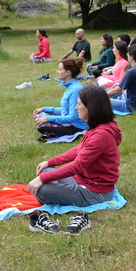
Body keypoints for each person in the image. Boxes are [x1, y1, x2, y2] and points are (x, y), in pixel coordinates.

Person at [28, 84, 122, 233]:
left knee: (42, 190)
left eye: (79, 104)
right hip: (84, 180)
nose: (76, 107)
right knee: (46, 171)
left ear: (91, 108)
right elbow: (78, 150)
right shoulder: (98, 127)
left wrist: (43, 179)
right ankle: (54, 182)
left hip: (96, 191)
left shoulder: (101, 135)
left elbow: (77, 167)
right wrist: (49, 162)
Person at [33, 58, 88, 139]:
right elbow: (66, 110)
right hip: (68, 122)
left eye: (59, 69)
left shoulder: (75, 90)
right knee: (39, 115)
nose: (57, 72)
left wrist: (48, 118)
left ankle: (58, 133)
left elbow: (73, 117)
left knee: (41, 126)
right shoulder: (71, 87)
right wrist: (44, 109)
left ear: (67, 72)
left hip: (75, 127)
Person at [108, 44, 136, 113]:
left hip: (132, 106)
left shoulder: (132, 71)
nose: (127, 55)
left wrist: (102, 96)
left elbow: (117, 90)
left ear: (132, 57)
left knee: (102, 100)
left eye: (128, 53)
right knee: (121, 93)